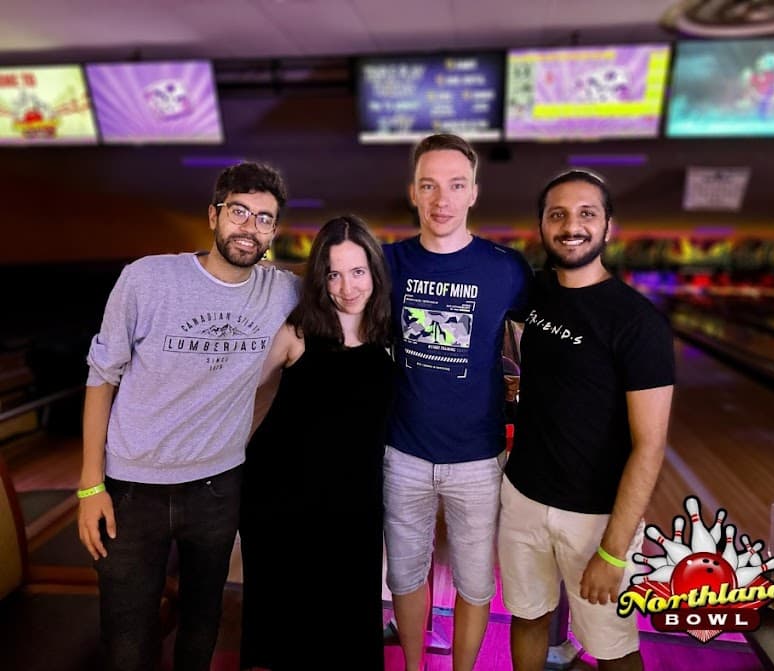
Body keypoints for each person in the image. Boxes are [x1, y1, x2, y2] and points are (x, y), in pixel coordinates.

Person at [77, 161, 301, 671]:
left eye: (265, 219)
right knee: (128, 642)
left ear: (274, 231)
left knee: (201, 629)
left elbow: (347, 295)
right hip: (131, 489)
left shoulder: (282, 292)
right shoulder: (147, 278)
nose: (251, 227)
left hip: (218, 489)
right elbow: (100, 376)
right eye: (239, 212)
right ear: (213, 215)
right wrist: (91, 486)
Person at [497, 169, 675, 671]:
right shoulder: (532, 293)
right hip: (523, 497)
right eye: (558, 214)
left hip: (595, 518)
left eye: (586, 214)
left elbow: (650, 446)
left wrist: (615, 551)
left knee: (614, 649)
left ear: (607, 227)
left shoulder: (638, 322)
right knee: (528, 616)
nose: (571, 226)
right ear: (542, 226)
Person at [382, 133, 533, 671]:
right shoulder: (386, 262)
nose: (441, 199)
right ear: (413, 194)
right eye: (429, 185)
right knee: (404, 575)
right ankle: (418, 666)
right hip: (403, 451)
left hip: (478, 457)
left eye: (455, 185)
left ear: (474, 192)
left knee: (473, 582)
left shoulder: (508, 269)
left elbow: (537, 347)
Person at [239, 215, 394, 671]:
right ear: (320, 278)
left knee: (348, 621)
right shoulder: (296, 333)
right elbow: (243, 400)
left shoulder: (389, 335)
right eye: (334, 273)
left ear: (374, 274)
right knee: (287, 629)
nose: (347, 287)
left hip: (356, 502)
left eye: (358, 272)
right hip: (282, 500)